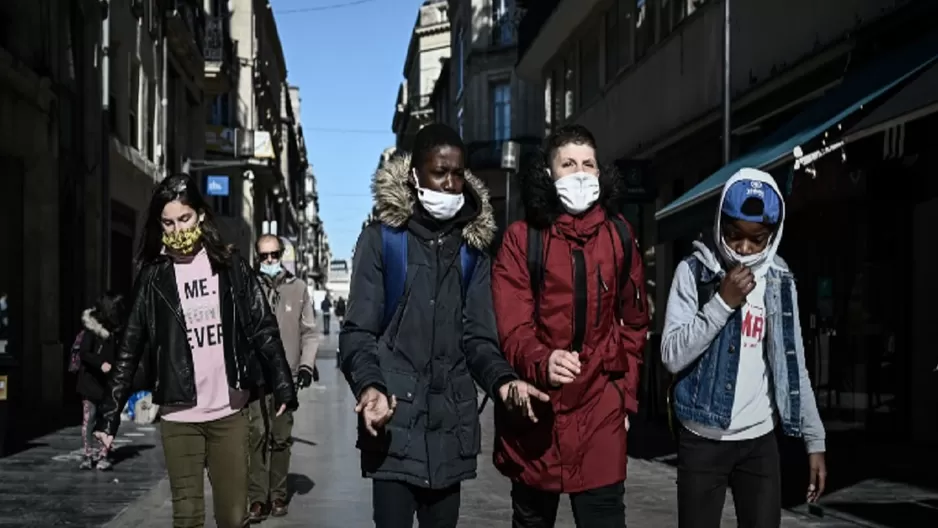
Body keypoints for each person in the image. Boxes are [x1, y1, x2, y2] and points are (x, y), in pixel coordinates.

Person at [340, 123, 548, 528]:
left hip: (451, 431)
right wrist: (371, 388)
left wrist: (503, 381)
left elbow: (479, 339)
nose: (451, 184)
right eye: (440, 172)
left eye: (458, 173)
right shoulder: (382, 241)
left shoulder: (473, 251)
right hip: (393, 430)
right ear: (415, 173)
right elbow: (357, 333)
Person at [93, 174, 298, 528]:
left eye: (184, 219)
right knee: (187, 518)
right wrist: (110, 415)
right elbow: (129, 348)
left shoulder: (231, 266)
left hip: (229, 413)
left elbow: (263, 325)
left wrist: (282, 381)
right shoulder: (153, 277)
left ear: (201, 215)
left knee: (233, 518)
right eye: (168, 223)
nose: (177, 230)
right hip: (179, 416)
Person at [490, 124, 649, 527]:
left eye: (588, 164)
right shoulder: (521, 240)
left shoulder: (620, 236)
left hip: (601, 409)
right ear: (548, 173)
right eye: (568, 164)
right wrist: (542, 360)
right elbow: (513, 327)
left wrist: (624, 397)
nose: (580, 173)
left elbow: (634, 323)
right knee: (532, 520)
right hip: (537, 412)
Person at [660, 168, 827, 528]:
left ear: (773, 235)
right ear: (721, 222)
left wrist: (815, 439)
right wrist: (721, 303)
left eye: (758, 238)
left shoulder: (780, 279)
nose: (745, 248)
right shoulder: (694, 272)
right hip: (702, 440)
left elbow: (794, 363)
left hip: (759, 443)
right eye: (735, 235)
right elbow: (671, 355)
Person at [247, 234, 319, 521]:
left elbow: (310, 332)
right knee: (256, 435)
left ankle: (277, 495)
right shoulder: (249, 286)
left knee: (280, 437)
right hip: (255, 375)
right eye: (263, 257)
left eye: (273, 255)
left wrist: (305, 366)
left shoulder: (298, 288)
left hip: (286, 376)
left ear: (281, 254)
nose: (269, 261)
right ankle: (256, 498)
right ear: (257, 258)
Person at [76, 292, 126, 471]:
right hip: (91, 382)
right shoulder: (91, 329)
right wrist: (101, 363)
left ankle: (103, 454)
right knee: (89, 420)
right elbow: (84, 354)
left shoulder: (116, 331)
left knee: (108, 419)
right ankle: (88, 455)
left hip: (108, 384)